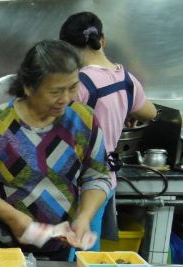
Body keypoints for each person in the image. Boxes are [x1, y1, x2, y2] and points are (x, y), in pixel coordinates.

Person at [0, 40, 111, 260]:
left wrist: (84, 217)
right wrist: (12, 218)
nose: (66, 99)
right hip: (2, 245)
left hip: (59, 247)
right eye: (56, 92)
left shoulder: (84, 120)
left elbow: (97, 176)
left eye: (72, 87)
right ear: (29, 87)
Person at [60, 12, 157, 251]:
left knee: (72, 248)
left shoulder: (77, 84)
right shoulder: (126, 79)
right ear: (102, 40)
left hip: (78, 180)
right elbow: (151, 112)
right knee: (88, 246)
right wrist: (127, 112)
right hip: (107, 178)